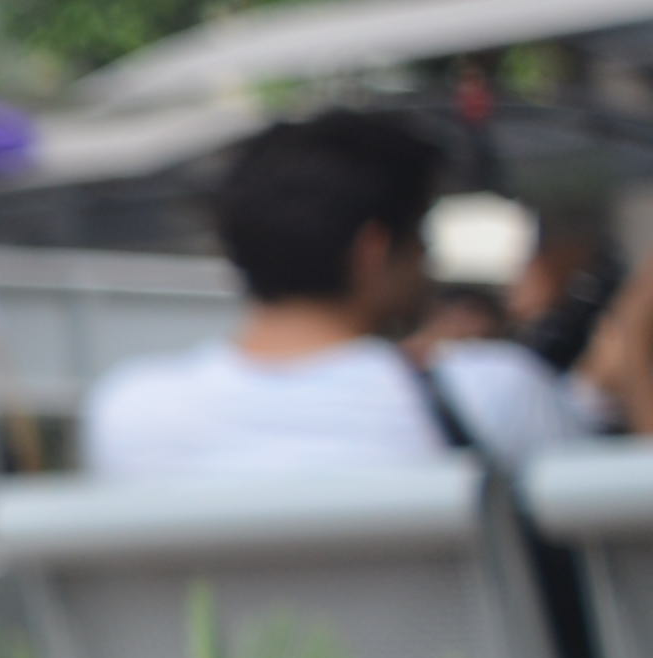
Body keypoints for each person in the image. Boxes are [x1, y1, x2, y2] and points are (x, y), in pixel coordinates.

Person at [85, 109, 588, 480]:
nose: (427, 263)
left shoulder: (131, 413)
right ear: (373, 251)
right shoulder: (488, 394)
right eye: (421, 239)